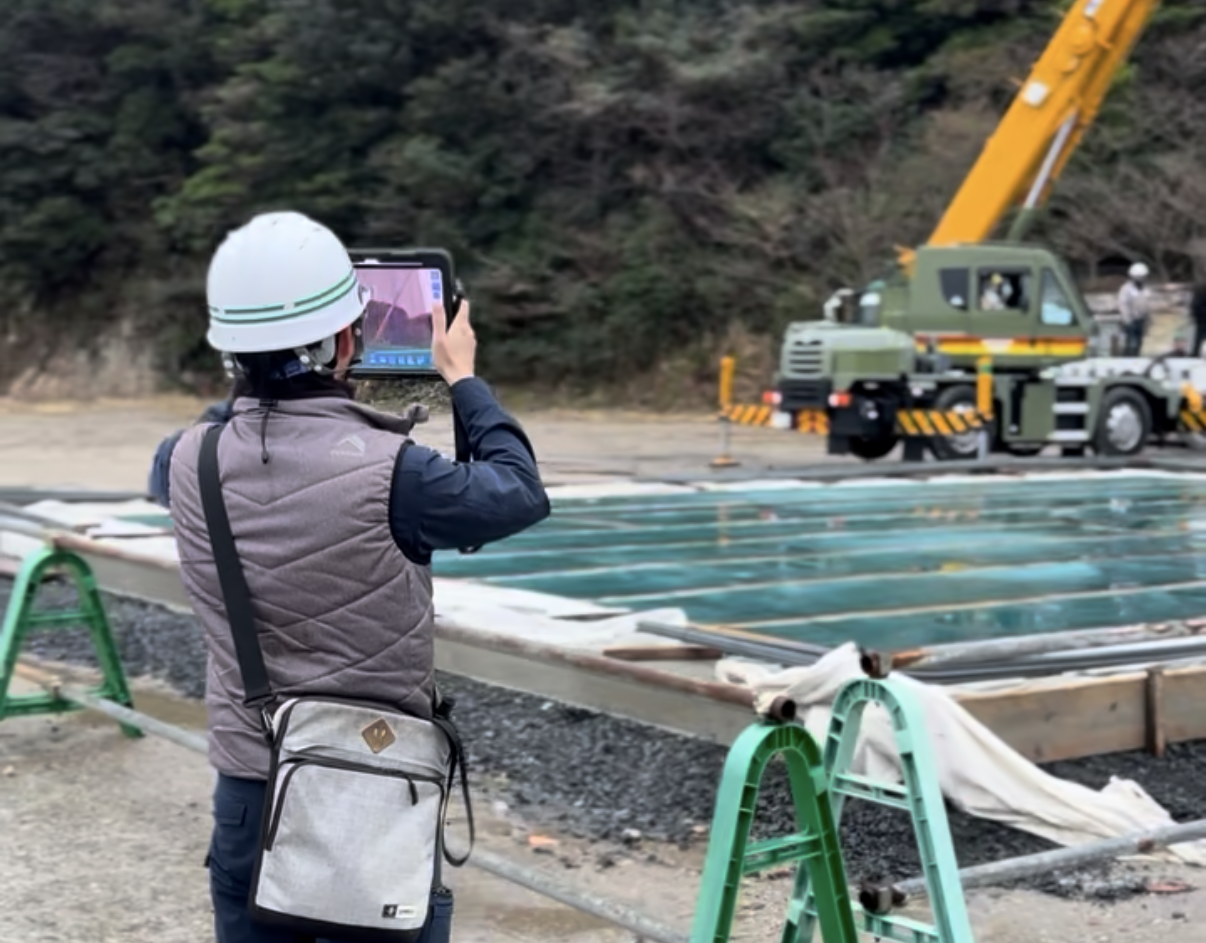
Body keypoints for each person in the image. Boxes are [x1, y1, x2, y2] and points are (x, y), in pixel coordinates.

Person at [147, 210, 551, 943]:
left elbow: (226, 423)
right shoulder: (398, 472)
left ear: (229, 350)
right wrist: (463, 377)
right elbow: (517, 492)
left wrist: (257, 371)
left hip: (249, 791)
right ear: (345, 340)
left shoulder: (184, 459)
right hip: (373, 785)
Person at [1118, 261, 1152, 356]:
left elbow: (1148, 305)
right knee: (1131, 343)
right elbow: (1123, 305)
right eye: (1139, 277)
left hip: (1141, 320)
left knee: (1139, 343)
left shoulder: (1146, 289)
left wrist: (1149, 320)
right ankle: (1127, 360)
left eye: (1143, 277)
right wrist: (1127, 319)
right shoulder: (1126, 289)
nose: (1141, 279)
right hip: (1131, 321)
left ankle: (1136, 358)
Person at [1189, 281, 1206, 358]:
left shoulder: (1200, 288)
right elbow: (1195, 307)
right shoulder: (1201, 289)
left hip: (1200, 321)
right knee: (1198, 344)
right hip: (1201, 322)